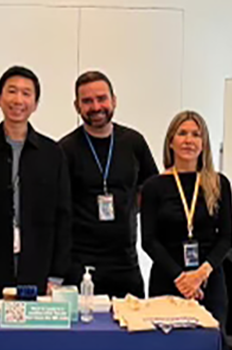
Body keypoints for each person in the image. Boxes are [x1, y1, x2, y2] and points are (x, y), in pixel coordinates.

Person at [140, 110, 232, 350]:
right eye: (182, 132)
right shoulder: (154, 186)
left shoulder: (218, 183)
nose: (189, 139)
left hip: (211, 280)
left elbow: (225, 238)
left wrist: (201, 273)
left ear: (204, 142)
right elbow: (148, 240)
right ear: (170, 141)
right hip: (168, 278)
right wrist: (181, 276)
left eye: (196, 133)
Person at [0, 65, 71, 295]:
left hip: (38, 267)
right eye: (11, 91)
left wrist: (57, 274)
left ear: (35, 104)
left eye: (26, 93)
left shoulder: (52, 153)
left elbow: (64, 215)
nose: (18, 99)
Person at [59, 70, 159, 297]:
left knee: (130, 326)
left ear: (114, 100)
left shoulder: (134, 142)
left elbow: (151, 189)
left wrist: (129, 209)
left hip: (125, 261)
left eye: (102, 98)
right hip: (80, 264)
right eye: (87, 101)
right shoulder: (65, 149)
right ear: (77, 106)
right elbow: (58, 206)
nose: (96, 107)